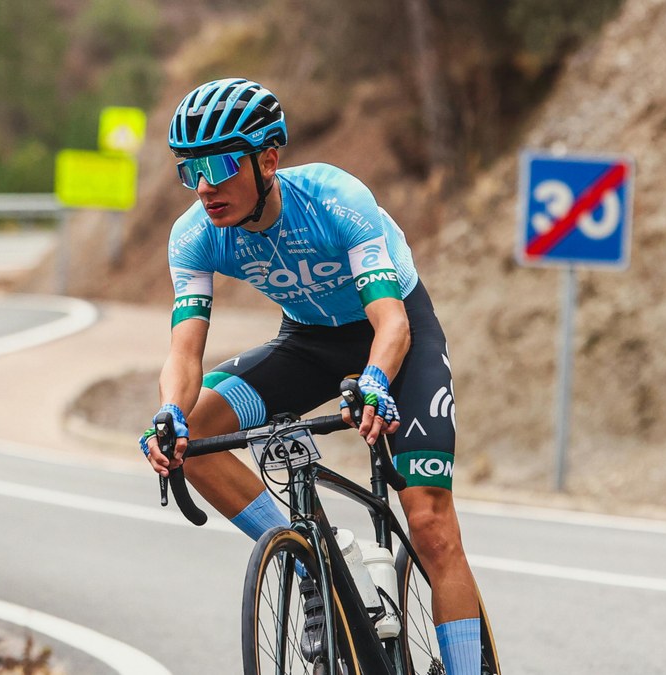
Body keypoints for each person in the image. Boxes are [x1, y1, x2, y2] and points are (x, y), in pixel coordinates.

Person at [139, 77, 489, 675]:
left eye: (220, 165)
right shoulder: (195, 235)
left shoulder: (334, 198)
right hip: (308, 341)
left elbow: (393, 324)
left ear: (267, 159)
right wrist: (170, 412)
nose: (203, 187)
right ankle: (308, 561)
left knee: (430, 526)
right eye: (188, 169)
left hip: (395, 335)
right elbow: (185, 349)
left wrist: (377, 380)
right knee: (192, 438)